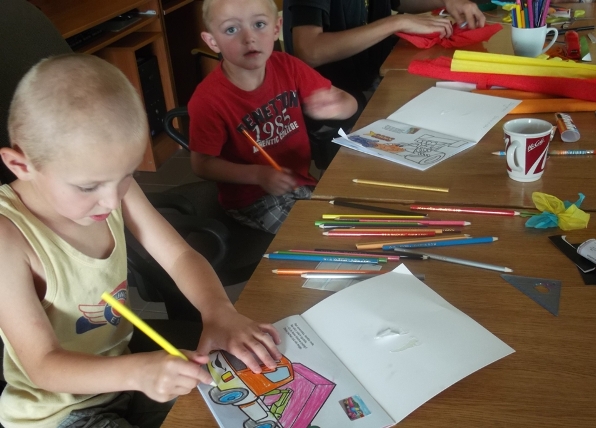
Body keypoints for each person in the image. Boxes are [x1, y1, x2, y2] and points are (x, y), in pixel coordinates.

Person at [0, 54, 282, 428]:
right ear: (21, 166)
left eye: (127, 176)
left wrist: (218, 311)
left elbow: (178, 255)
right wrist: (138, 373)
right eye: (88, 187)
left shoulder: (112, 186)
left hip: (123, 377)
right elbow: (42, 366)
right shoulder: (8, 236)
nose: (111, 201)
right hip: (58, 413)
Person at [189, 0, 357, 234]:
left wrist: (337, 107)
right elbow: (202, 165)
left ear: (276, 28)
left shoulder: (288, 66)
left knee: (354, 216)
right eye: (231, 29)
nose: (249, 38)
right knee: (321, 234)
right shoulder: (208, 99)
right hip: (253, 199)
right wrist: (258, 174)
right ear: (212, 41)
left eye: (259, 24)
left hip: (299, 182)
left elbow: (350, 103)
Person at [287, 0, 487, 166]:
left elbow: (397, 2)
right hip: (337, 106)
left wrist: (446, 1)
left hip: (375, 85)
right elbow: (309, 51)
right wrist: (398, 22)